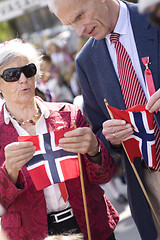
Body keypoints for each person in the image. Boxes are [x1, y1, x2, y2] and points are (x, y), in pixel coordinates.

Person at [48, 0, 160, 239]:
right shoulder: (86, 61)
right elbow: (99, 132)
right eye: (70, 24)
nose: (79, 31)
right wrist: (110, 138)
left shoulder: (155, 17)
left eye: (79, 16)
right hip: (149, 181)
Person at [0, 39, 119, 240]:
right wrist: (9, 171)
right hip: (34, 234)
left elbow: (104, 175)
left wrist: (94, 150)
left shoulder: (68, 114)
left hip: (90, 223)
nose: (22, 79)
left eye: (28, 70)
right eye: (11, 75)